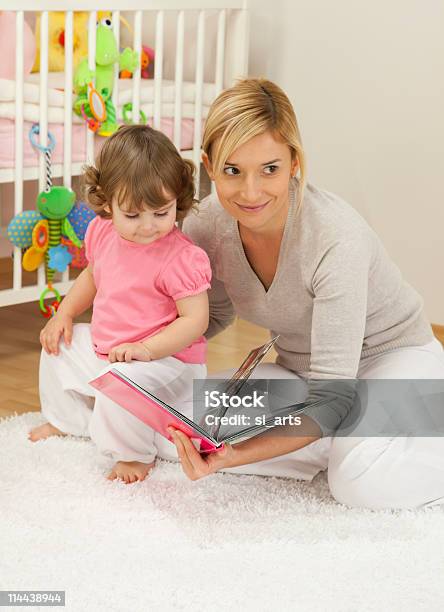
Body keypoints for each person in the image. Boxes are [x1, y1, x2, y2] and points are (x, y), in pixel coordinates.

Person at [166, 78, 444, 510]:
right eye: (232, 171)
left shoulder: (336, 239)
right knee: (182, 425)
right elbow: (211, 316)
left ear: (294, 162)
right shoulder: (206, 226)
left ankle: (356, 436)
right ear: (208, 165)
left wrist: (233, 457)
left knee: (358, 482)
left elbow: (332, 395)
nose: (251, 192)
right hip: (304, 375)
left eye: (270, 169)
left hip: (391, 362)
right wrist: (144, 345)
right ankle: (333, 438)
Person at [28, 125, 212, 484]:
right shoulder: (103, 232)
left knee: (121, 382)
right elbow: (93, 277)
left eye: (161, 213)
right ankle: (69, 421)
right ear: (108, 204)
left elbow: (195, 320)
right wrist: (64, 314)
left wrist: (146, 349)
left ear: (178, 198)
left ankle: (134, 454)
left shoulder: (180, 257)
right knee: (57, 346)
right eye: (132, 215)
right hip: (110, 350)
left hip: (166, 363)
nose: (148, 227)